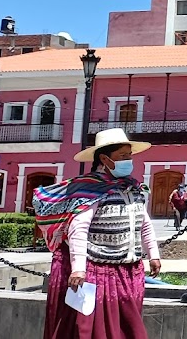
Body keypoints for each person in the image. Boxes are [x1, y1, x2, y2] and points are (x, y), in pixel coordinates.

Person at [33, 128, 160, 339]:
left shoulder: (133, 189)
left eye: (129, 155)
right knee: (96, 331)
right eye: (123, 156)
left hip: (128, 270)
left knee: (127, 327)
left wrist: (153, 255)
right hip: (99, 270)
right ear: (105, 158)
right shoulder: (91, 190)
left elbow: (143, 224)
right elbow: (78, 229)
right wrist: (79, 270)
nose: (129, 160)